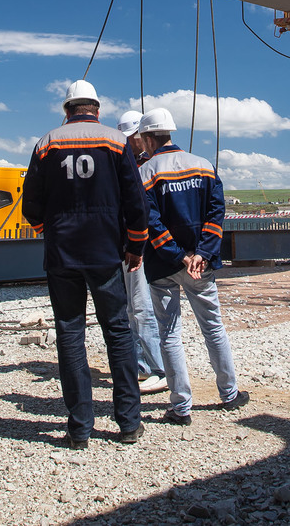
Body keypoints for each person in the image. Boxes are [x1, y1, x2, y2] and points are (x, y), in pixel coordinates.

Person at [22, 81, 148, 449]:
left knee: (70, 334)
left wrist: (49, 229)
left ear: (67, 110)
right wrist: (136, 245)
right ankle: (128, 422)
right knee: (118, 332)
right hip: (105, 253)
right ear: (97, 108)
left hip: (62, 254)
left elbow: (31, 202)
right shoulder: (116, 141)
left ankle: (79, 428)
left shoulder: (47, 143)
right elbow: (134, 200)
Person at [135, 108, 245, 426]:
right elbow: (216, 210)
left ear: (146, 138)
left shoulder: (146, 172)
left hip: (164, 265)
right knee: (213, 328)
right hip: (201, 263)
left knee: (169, 334)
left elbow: (151, 222)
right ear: (170, 132)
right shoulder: (204, 165)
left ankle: (181, 407)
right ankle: (229, 393)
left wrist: (177, 255)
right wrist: (203, 253)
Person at [116, 110, 169, 397]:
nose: (130, 143)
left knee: (142, 306)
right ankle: (141, 365)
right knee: (132, 307)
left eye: (132, 138)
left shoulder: (148, 167)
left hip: (142, 245)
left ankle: (157, 368)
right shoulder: (135, 163)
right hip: (133, 244)